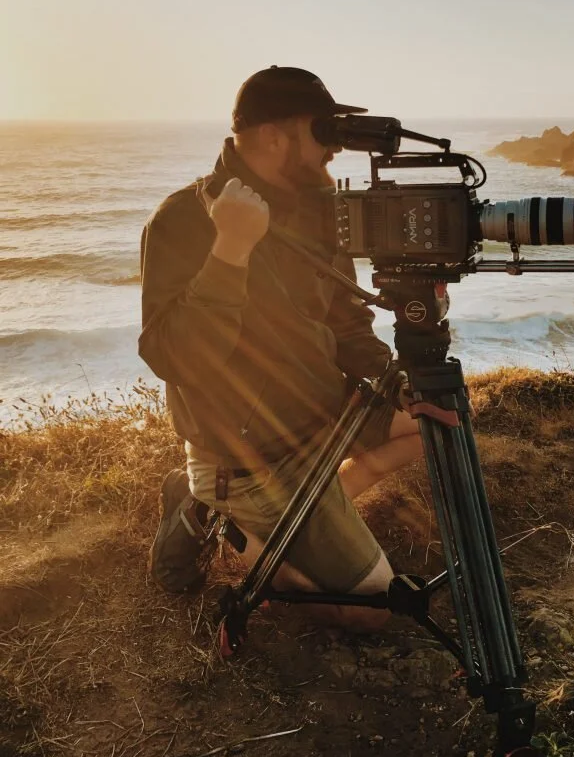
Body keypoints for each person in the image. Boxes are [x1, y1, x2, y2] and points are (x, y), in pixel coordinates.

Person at [139, 66, 422, 629]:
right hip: (250, 457)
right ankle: (216, 518)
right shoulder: (184, 220)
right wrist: (230, 253)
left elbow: (345, 318)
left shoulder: (316, 211)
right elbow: (173, 357)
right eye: (322, 130)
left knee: (439, 423)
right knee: (373, 614)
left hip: (323, 416)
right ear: (273, 136)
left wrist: (395, 380)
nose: (335, 147)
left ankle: (317, 508)